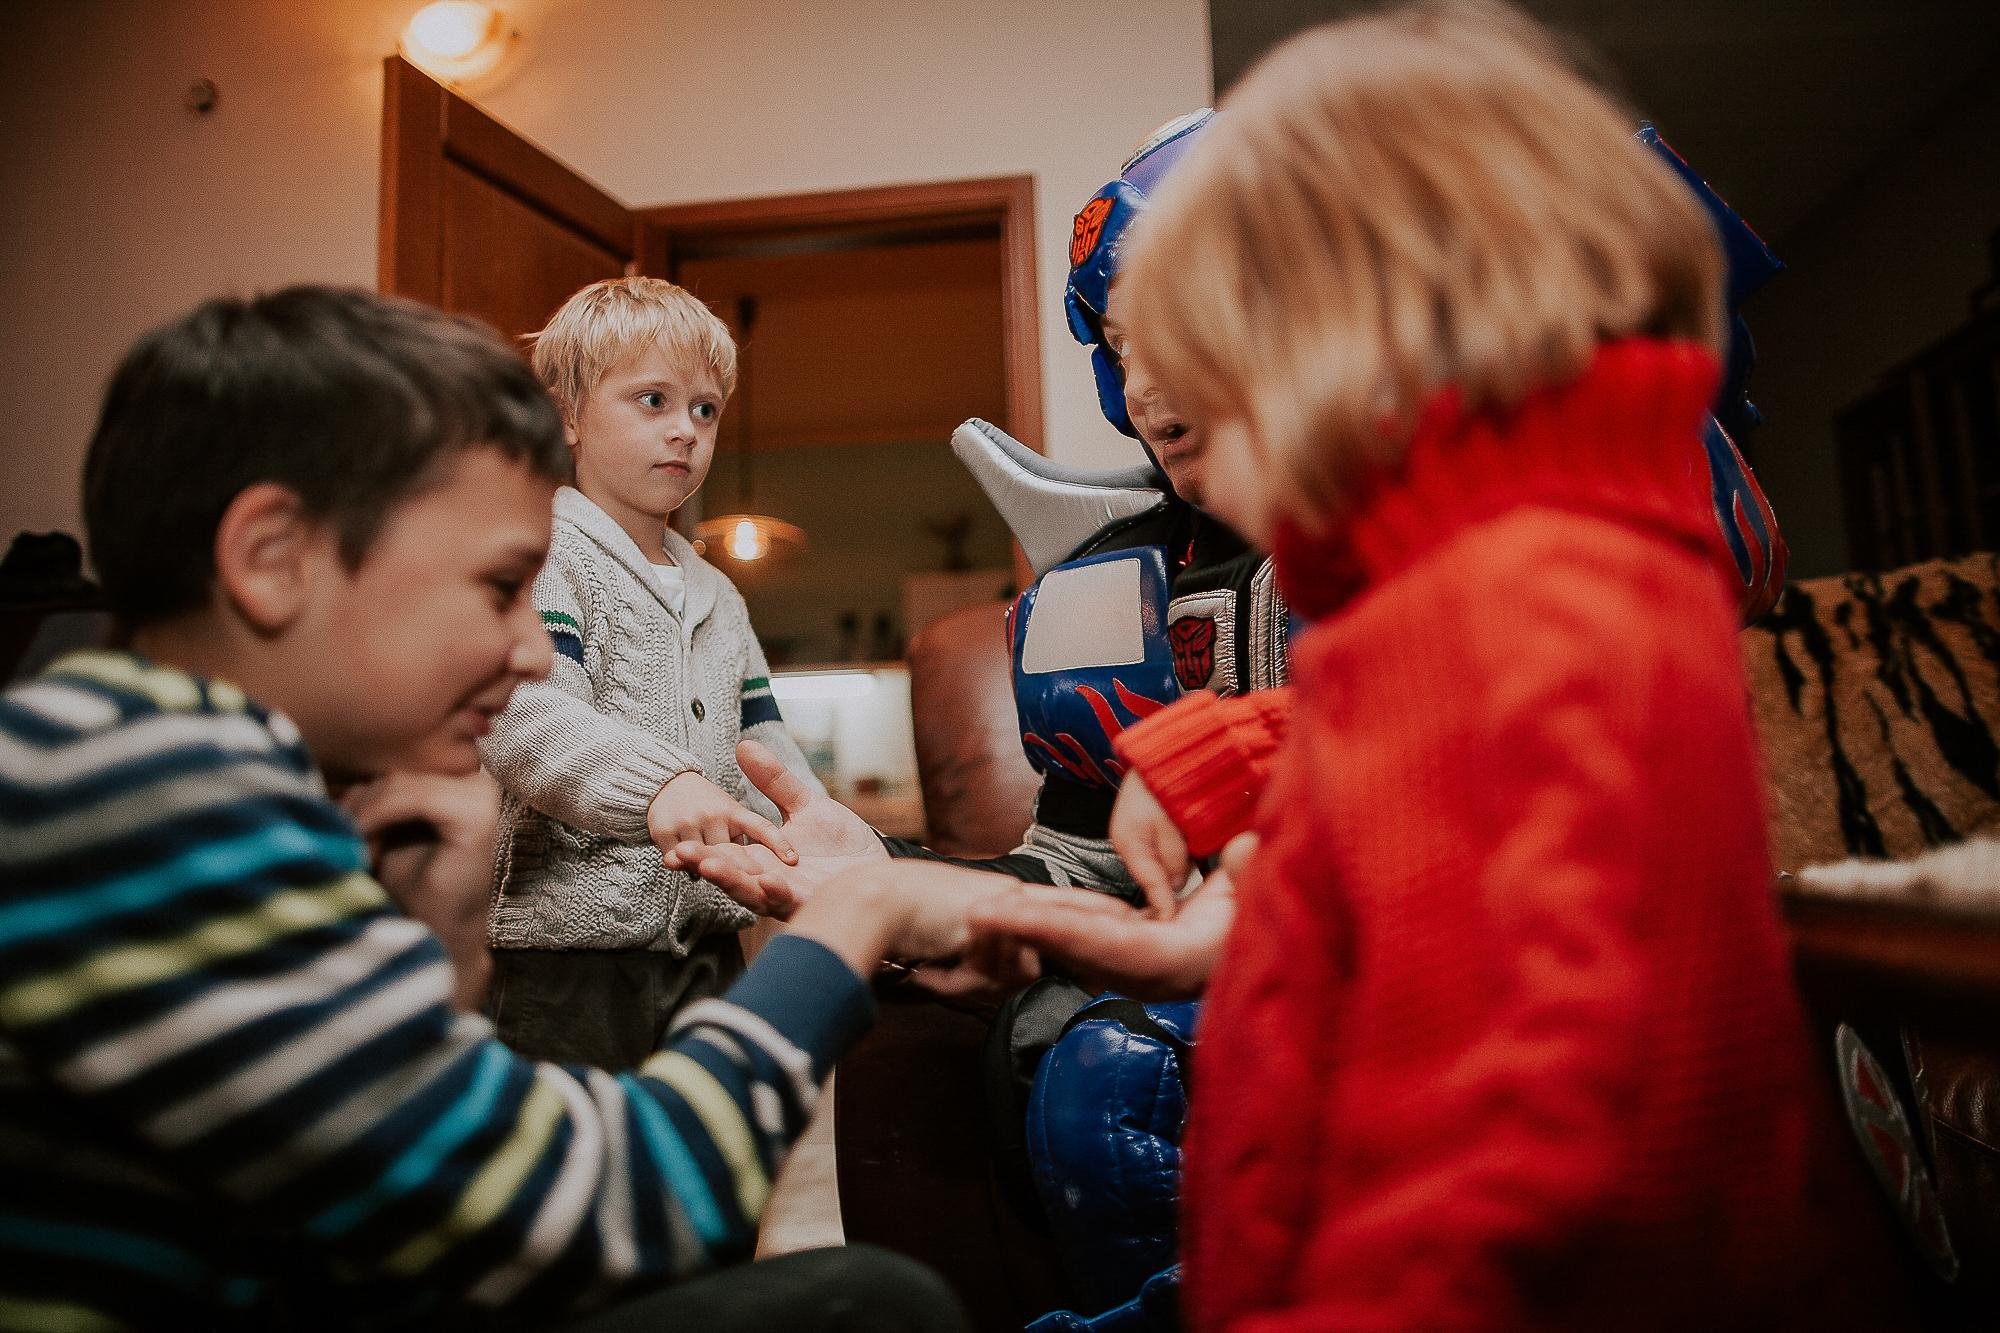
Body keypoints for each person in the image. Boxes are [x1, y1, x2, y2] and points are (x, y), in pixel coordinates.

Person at [969, 4, 1918, 1328]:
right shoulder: (1408, 614)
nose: (1147, 397)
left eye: (1186, 340)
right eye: (1123, 354)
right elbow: (1359, 784)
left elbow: (1549, 1159)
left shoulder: (1558, 608)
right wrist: (1192, 774)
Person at [0, 285, 1021, 1331]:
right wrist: (854, 920)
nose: (531, 650)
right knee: (874, 1307)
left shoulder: (178, 764)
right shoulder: (127, 803)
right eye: (495, 588)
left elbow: (383, 1169)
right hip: (578, 991)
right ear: (271, 558)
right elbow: (590, 1205)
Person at [472, 276, 823, 1071]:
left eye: (704, 410)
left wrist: (810, 828)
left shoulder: (719, 594)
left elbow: (761, 738)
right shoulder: (545, 553)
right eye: (653, 401)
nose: (686, 432)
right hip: (567, 960)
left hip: (709, 943)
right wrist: (657, 784)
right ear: (568, 414)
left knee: (709, 1158)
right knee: (571, 1179)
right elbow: (523, 717)